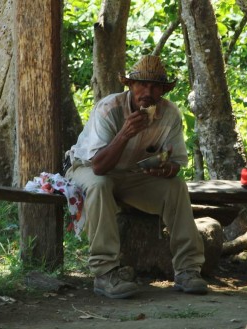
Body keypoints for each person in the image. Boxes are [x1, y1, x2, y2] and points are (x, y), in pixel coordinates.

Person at [66, 55, 207, 299]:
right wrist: (124, 134)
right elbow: (98, 166)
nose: (147, 92)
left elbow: (175, 164)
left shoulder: (170, 114)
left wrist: (165, 169)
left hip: (132, 175)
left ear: (163, 90)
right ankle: (105, 273)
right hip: (87, 169)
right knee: (100, 184)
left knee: (175, 187)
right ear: (130, 86)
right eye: (141, 84)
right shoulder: (109, 109)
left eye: (154, 87)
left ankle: (188, 269)